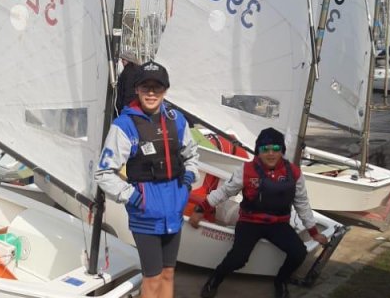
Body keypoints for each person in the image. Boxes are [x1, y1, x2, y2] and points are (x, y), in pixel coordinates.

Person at [95, 60, 199, 298]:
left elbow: (192, 155)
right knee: (151, 278)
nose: (151, 93)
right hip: (146, 215)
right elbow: (103, 173)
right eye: (145, 87)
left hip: (173, 211)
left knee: (169, 274)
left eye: (157, 87)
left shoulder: (177, 120)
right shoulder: (124, 125)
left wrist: (187, 182)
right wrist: (135, 198)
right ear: (137, 89)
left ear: (165, 90)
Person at [189, 127, 328, 298]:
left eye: (276, 149)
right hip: (250, 222)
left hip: (278, 223)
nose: (271, 153)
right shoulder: (246, 170)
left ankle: (280, 281)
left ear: (282, 151)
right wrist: (200, 209)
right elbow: (224, 192)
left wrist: (314, 232)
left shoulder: (294, 173)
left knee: (299, 252)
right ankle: (215, 279)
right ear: (258, 151)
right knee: (238, 259)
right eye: (265, 149)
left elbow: (302, 203)